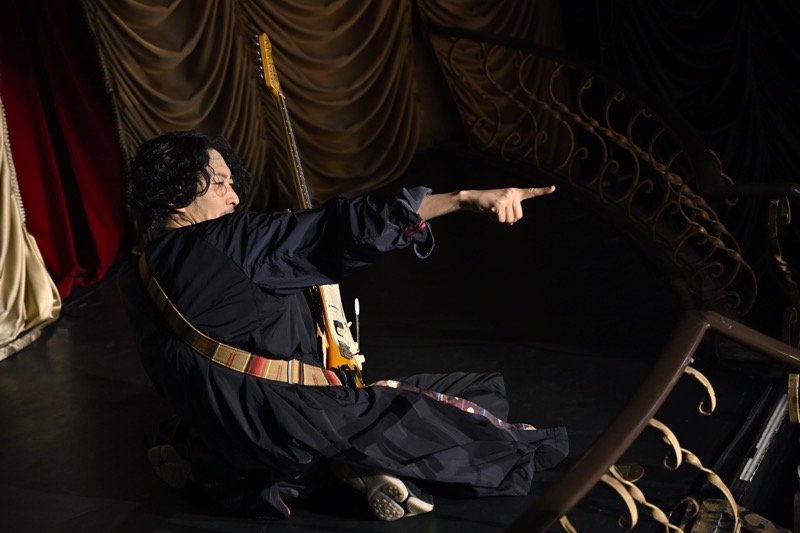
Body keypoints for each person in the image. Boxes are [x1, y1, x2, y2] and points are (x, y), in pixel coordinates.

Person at [118, 130, 569, 522]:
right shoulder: (226, 241)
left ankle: (205, 460)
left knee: (436, 402)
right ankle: (343, 464)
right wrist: (462, 199)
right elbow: (339, 227)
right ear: (176, 193)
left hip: (220, 426)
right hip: (286, 421)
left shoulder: (135, 273)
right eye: (219, 183)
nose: (234, 197)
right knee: (471, 417)